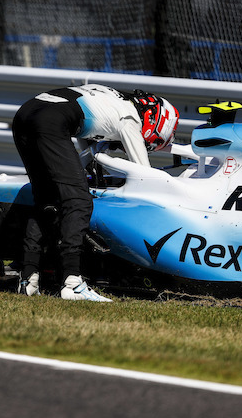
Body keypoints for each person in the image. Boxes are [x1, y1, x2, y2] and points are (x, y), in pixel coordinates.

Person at [11, 84, 179, 301]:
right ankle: (72, 283)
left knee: (46, 199)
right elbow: (145, 175)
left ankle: (28, 279)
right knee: (79, 201)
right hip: (51, 120)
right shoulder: (130, 118)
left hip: (25, 113)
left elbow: (83, 140)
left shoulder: (110, 97)